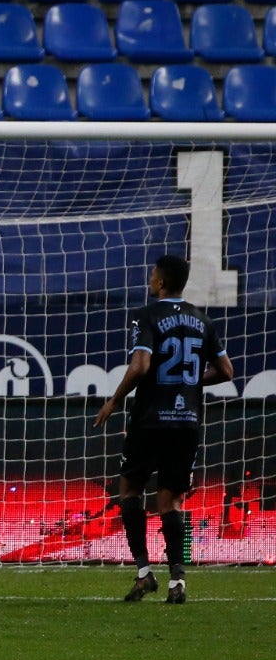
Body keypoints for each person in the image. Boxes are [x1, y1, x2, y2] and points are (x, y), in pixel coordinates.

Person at [93, 253, 234, 604]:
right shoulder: (203, 320)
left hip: (149, 419)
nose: (149, 277)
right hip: (186, 422)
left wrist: (113, 400)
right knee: (170, 502)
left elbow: (141, 366)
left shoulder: (147, 316)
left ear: (161, 282)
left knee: (129, 491)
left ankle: (143, 573)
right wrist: (188, 383)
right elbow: (227, 371)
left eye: (152, 274)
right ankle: (178, 581)